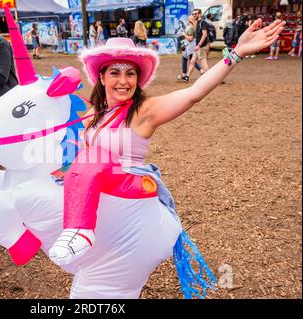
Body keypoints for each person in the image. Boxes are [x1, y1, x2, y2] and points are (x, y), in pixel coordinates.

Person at [48, 18, 286, 265]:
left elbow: (194, 93)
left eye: (130, 74)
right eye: (115, 73)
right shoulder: (94, 112)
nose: (123, 81)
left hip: (128, 193)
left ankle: (79, 232)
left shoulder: (144, 111)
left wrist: (235, 53)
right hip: (102, 199)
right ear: (102, 77)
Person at [177, 15, 204, 82]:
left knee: (191, 60)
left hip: (190, 46)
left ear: (189, 20)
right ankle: (186, 74)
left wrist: (184, 34)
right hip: (190, 46)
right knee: (189, 60)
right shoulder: (193, 27)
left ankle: (186, 75)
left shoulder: (190, 28)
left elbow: (190, 39)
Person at [186, 8, 210, 79]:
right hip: (197, 46)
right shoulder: (198, 22)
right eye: (193, 14)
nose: (194, 15)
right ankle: (187, 76)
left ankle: (209, 78)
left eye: (195, 14)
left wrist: (199, 45)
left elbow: (204, 34)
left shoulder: (203, 22)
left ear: (200, 14)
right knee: (192, 61)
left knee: (203, 62)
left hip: (201, 46)